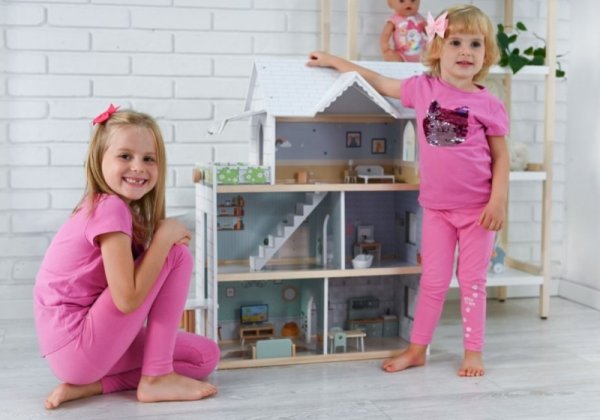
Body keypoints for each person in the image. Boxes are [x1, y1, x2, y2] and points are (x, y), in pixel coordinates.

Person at [308, 4, 509, 377]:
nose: (466, 52)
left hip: (478, 211)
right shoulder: (422, 89)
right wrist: (336, 61)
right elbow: (378, 81)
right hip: (436, 210)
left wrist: (498, 202)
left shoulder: (489, 103)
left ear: (486, 52)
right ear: (437, 47)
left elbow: (501, 158)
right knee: (432, 281)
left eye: (475, 44)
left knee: (473, 283)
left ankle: (473, 352)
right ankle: (417, 349)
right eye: (456, 42)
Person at [33, 105, 220, 409]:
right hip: (77, 343)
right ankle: (156, 377)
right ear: (99, 159)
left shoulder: (110, 208)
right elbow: (127, 300)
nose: (138, 167)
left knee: (204, 356)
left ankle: (96, 386)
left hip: (76, 354)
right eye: (125, 156)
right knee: (177, 255)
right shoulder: (110, 208)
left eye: (149, 159)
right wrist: (162, 239)